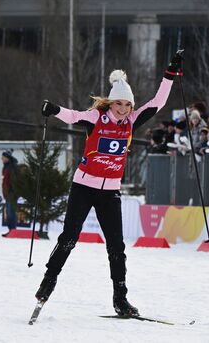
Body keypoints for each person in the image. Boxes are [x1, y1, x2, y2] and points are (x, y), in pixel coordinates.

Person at [34, 50, 184, 317]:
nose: (124, 110)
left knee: (117, 246)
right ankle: (47, 284)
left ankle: (121, 299)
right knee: (69, 238)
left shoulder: (132, 120)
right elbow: (71, 116)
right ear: (111, 103)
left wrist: (170, 73)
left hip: (110, 191)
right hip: (83, 187)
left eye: (128, 105)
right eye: (120, 105)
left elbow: (158, 102)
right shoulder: (95, 118)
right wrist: (54, 109)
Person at [1, 150, 18, 237]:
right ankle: (11, 231)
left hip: (11, 194)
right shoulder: (6, 167)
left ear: (8, 158)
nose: (2, 159)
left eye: (3, 157)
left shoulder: (12, 167)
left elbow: (13, 181)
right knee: (8, 212)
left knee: (11, 212)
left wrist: (12, 192)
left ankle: (13, 231)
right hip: (7, 194)